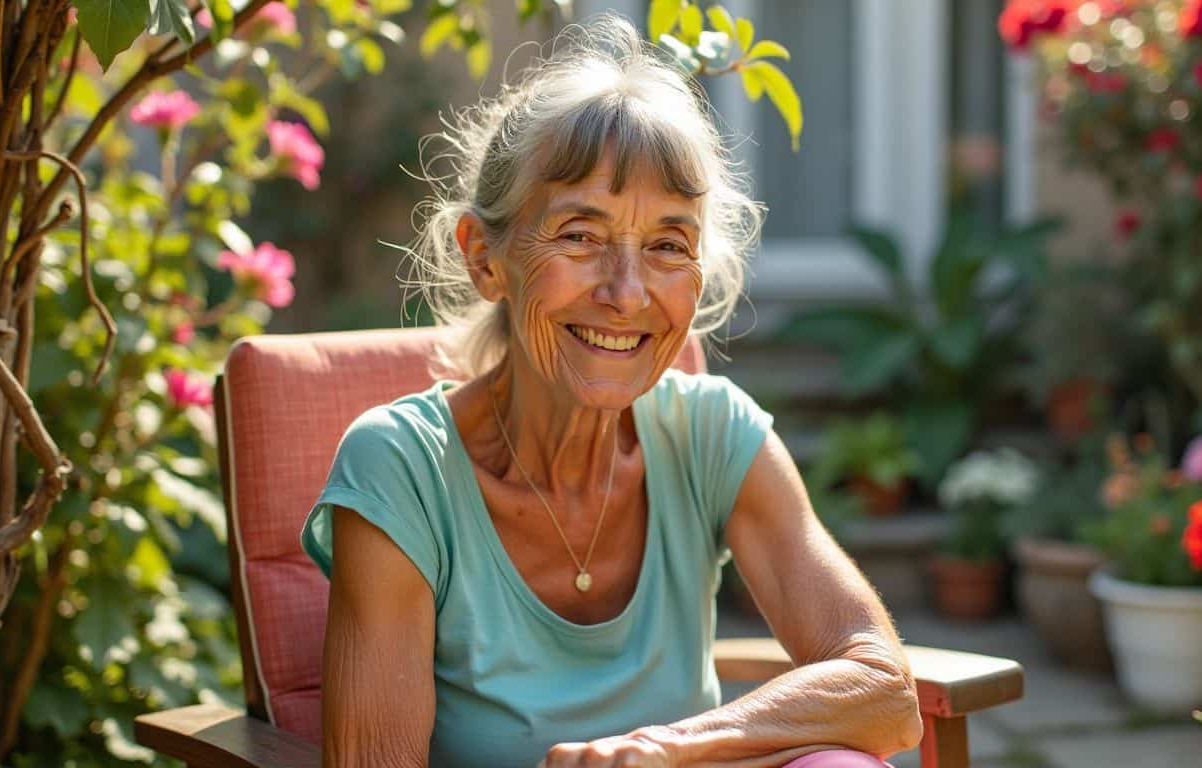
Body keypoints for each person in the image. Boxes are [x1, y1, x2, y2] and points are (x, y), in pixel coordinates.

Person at [300, 15, 922, 768]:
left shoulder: (712, 435)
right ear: (485, 258)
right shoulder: (402, 469)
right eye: (580, 236)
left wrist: (663, 750)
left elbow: (886, 690)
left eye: (667, 245)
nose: (627, 294)